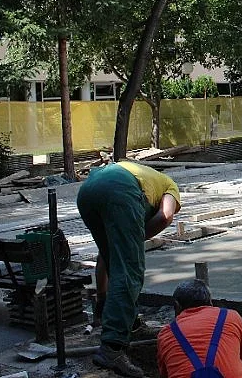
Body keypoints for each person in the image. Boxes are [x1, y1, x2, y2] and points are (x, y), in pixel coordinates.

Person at [77, 160, 182, 377]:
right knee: (129, 270)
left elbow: (104, 258)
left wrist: (101, 298)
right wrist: (134, 239)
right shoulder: (170, 186)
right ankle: (112, 348)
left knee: (113, 257)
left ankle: (130, 324)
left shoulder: (143, 174)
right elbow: (166, 215)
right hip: (120, 191)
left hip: (87, 191)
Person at [157, 279, 242, 378]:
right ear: (210, 301)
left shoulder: (166, 333)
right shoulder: (231, 317)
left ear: (177, 305)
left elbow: (165, 374)